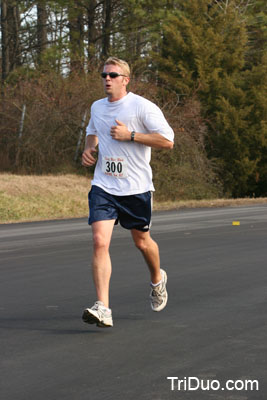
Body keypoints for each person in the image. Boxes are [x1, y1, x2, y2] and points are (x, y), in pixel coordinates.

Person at [82, 57, 174, 328]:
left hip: (136, 188)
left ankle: (158, 279)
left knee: (142, 242)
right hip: (104, 186)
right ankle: (103, 307)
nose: (107, 79)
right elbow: (92, 132)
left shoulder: (142, 107)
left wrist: (131, 135)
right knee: (100, 241)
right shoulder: (97, 107)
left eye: (113, 75)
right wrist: (89, 149)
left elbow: (167, 141)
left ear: (126, 79)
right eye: (103, 75)